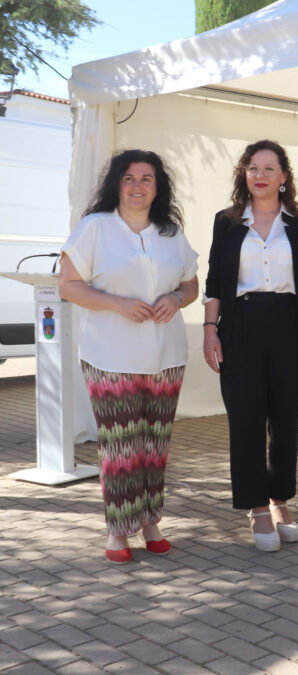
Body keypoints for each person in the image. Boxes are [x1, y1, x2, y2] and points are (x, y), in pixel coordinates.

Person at [58, 150, 198, 563]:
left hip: (166, 355)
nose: (138, 185)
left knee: (154, 445)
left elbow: (192, 284)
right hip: (110, 356)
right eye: (129, 178)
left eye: (147, 178)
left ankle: (151, 520)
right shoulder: (95, 228)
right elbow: (68, 285)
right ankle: (118, 530)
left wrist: (176, 297)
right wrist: (116, 304)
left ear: (159, 187)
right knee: (121, 447)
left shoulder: (172, 233)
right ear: (116, 184)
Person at [202, 140, 298, 552]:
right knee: (247, 417)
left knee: (286, 419)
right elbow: (216, 281)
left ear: (284, 177)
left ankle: (280, 502)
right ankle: (256, 506)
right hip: (241, 326)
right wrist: (209, 329)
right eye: (253, 168)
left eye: (269, 168)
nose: (260, 175)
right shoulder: (227, 222)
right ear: (244, 174)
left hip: (290, 326)